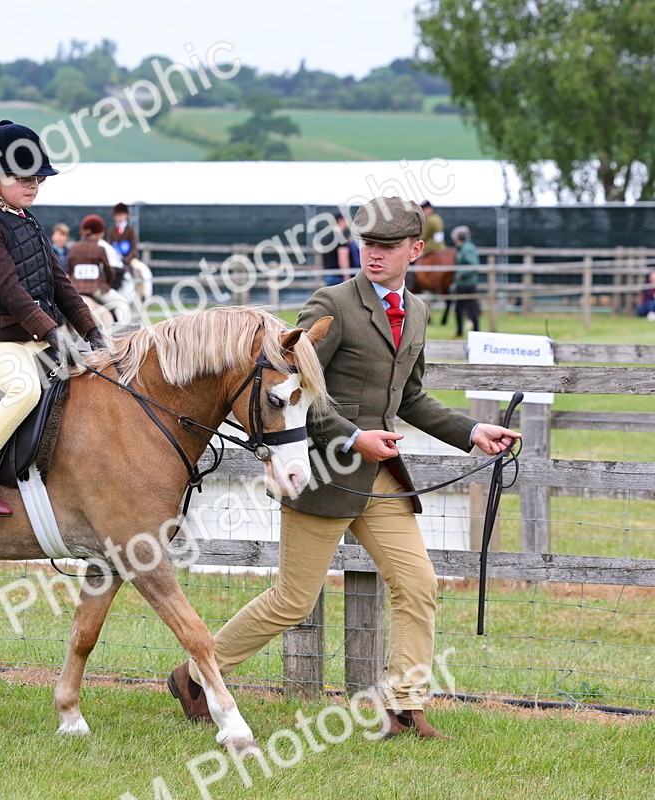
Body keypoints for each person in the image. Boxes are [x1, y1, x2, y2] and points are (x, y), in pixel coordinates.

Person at [167, 196, 521, 740]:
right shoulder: (330, 304)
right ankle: (194, 678)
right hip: (323, 473)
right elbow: (298, 387)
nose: (374, 256)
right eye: (368, 245)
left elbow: (412, 397)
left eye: (387, 246)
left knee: (417, 583)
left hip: (380, 478)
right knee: (292, 601)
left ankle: (404, 706)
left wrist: (471, 432)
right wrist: (354, 436)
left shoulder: (419, 313)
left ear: (415, 249)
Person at [0, 119, 108, 518]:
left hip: (35, 338)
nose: (33, 184)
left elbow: (60, 284)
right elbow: (12, 293)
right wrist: (55, 334)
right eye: (22, 177)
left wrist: (94, 332)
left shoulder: (27, 222)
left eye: (37, 177)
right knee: (24, 390)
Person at [67, 215, 128, 320]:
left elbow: (70, 270)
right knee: (122, 304)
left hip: (76, 288)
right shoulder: (100, 249)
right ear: (99, 233)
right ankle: (121, 333)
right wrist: (106, 283)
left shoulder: (73, 248)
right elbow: (110, 272)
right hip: (96, 288)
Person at [451, 225, 482, 337]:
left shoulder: (467, 248)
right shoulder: (464, 248)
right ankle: (461, 332)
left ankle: (476, 332)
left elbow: (473, 265)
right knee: (459, 309)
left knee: (471, 309)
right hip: (463, 284)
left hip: (468, 284)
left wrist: (461, 274)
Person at [320, 213, 352, 287]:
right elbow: (343, 258)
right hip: (338, 276)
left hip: (327, 275)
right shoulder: (340, 238)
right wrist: (347, 277)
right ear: (341, 221)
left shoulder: (326, 238)